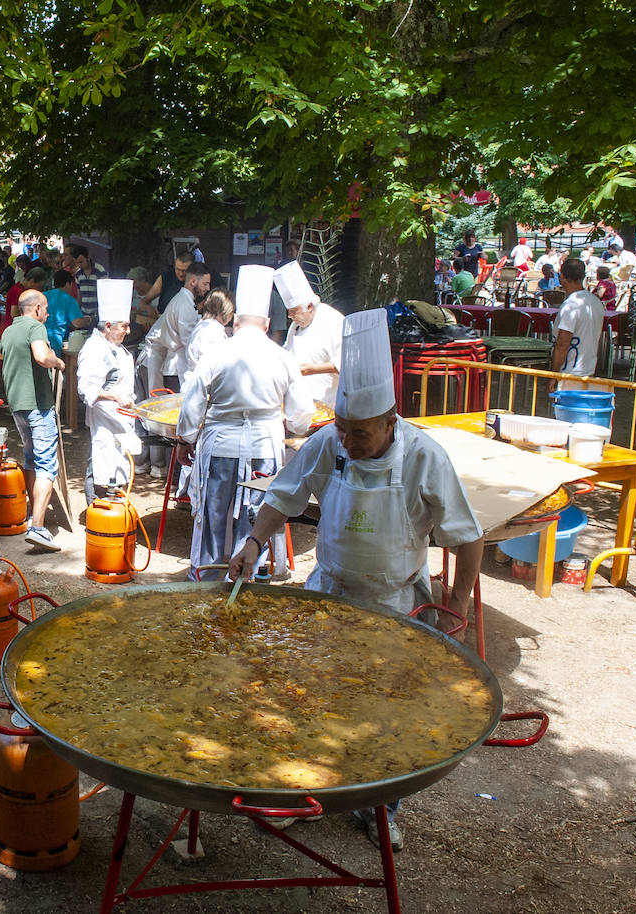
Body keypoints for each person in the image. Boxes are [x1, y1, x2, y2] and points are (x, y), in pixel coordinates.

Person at [228, 308, 483, 851]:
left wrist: (455, 606)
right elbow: (283, 495)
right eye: (343, 430)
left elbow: (467, 535)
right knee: (310, 697)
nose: (348, 441)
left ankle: (379, 805)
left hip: (395, 603)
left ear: (390, 420)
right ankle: (306, 793)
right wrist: (252, 542)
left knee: (383, 711)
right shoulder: (330, 443)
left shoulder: (424, 457)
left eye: (360, 433)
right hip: (328, 595)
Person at [179, 267, 313, 581]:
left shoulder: (216, 353)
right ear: (267, 324)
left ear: (236, 321)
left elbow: (192, 403)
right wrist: (289, 424)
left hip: (220, 446)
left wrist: (185, 437)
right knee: (255, 518)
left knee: (215, 516)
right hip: (263, 447)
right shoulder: (282, 357)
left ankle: (209, 578)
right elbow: (301, 415)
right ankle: (250, 581)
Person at [0, 290, 66, 552]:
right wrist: (57, 361)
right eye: (46, 309)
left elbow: (1, 355)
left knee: (30, 458)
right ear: (36, 309)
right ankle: (38, 528)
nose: (47, 314)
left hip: (17, 404)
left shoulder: (9, 329)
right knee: (47, 464)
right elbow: (40, 356)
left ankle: (30, 516)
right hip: (38, 405)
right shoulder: (36, 327)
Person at [77, 279, 140, 504]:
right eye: (124, 326)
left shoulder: (113, 346)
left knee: (116, 467)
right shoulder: (94, 349)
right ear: (108, 326)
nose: (128, 331)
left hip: (120, 420)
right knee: (101, 465)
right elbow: (86, 389)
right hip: (105, 420)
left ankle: (110, 512)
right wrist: (115, 397)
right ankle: (97, 516)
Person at [279, 262, 345, 408]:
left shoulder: (334, 321)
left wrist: (313, 369)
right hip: (298, 401)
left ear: (309, 306)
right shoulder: (296, 325)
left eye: (294, 311)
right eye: (288, 311)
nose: (290, 316)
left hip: (326, 401)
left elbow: (344, 363)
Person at [551, 258, 605, 390]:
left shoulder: (571, 305)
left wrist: (553, 376)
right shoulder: (595, 301)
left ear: (562, 277)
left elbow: (563, 344)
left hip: (569, 372)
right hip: (588, 369)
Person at [158, 261, 210, 388]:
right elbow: (189, 342)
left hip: (176, 367)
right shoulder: (184, 304)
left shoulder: (184, 300)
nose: (207, 288)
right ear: (193, 282)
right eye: (205, 284)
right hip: (177, 369)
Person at [182, 288, 233, 388]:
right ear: (226, 311)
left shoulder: (205, 324)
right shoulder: (212, 332)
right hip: (200, 388)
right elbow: (212, 368)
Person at [43, 269, 90, 354]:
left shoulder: (43, 295)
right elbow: (77, 323)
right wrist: (89, 320)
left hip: (38, 337)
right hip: (55, 340)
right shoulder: (69, 299)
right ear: (68, 284)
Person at [71, 245, 108, 319]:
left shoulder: (100, 271)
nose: (79, 265)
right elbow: (79, 296)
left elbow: (105, 294)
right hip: (84, 314)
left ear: (88, 257)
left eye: (81, 262)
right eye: (77, 263)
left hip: (98, 314)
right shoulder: (78, 274)